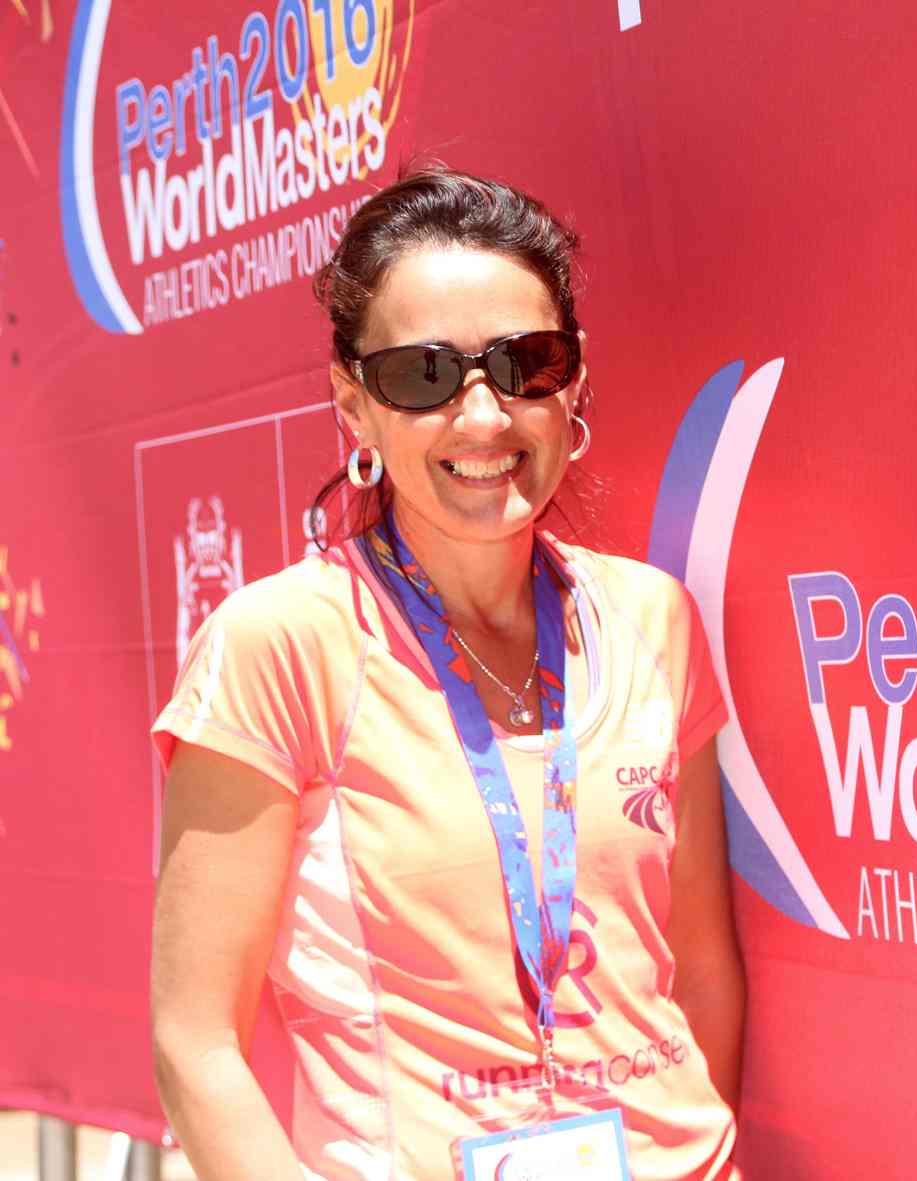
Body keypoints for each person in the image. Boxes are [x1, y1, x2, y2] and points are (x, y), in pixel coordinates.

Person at [148, 163, 745, 1181]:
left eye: (525, 363)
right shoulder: (279, 645)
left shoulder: (652, 618)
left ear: (572, 380)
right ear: (355, 404)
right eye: (423, 375)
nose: (482, 417)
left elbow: (703, 971)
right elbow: (195, 1042)